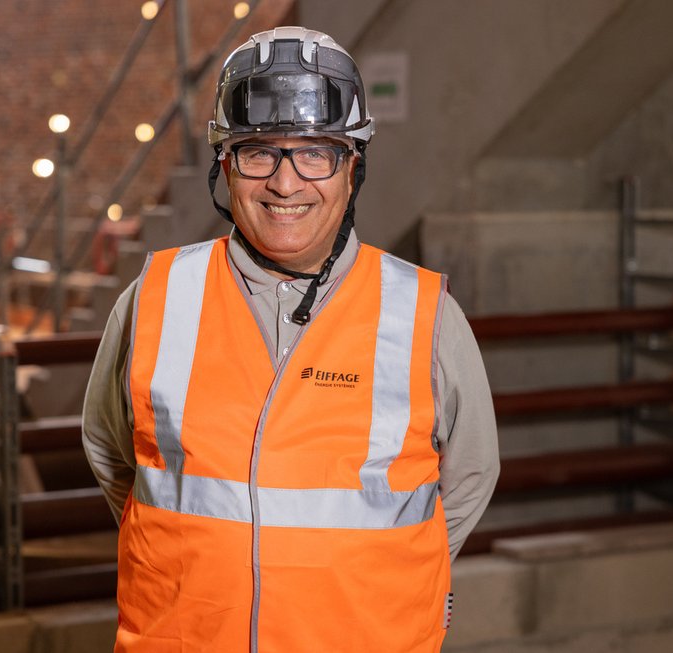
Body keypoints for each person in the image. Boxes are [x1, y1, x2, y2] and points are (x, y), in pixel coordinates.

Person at [82, 26, 499, 653]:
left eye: (315, 152)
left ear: (352, 166)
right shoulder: (156, 297)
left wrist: (374, 573)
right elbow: (114, 455)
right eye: (258, 152)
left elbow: (469, 477)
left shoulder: (424, 315)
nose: (285, 183)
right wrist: (198, 555)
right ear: (225, 164)